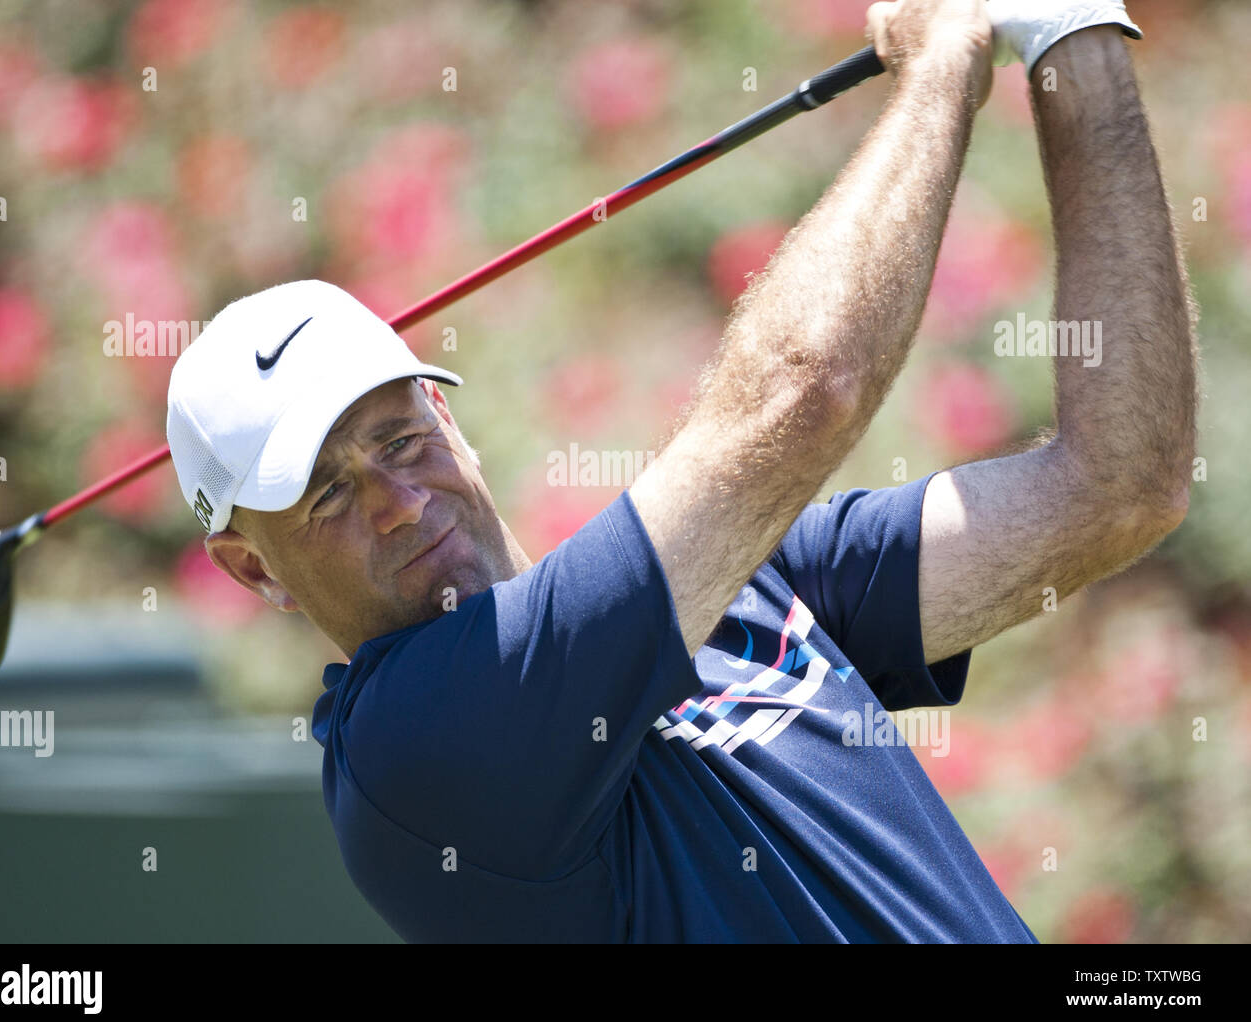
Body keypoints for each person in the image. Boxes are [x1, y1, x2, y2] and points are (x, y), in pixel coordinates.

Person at [165, 0, 1196, 942]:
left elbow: (1118, 486)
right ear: (254, 570)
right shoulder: (412, 751)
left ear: (448, 416)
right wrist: (942, 63)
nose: (398, 502)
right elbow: (803, 393)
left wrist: (1072, 36)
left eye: (398, 439)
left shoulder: (749, 577)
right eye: (328, 493)